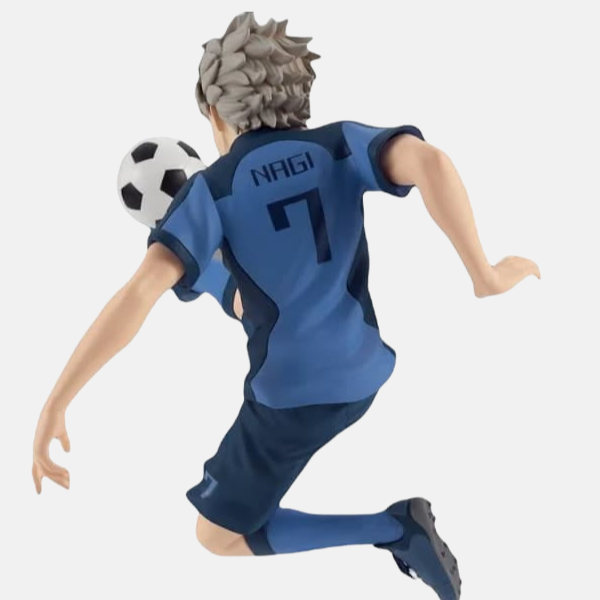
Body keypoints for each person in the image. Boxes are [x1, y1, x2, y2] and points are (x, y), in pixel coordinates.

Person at [32, 12, 540, 600]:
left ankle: (396, 528)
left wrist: (57, 401)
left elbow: (137, 293)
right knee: (247, 295)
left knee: (217, 535)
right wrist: (485, 274)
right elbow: (432, 162)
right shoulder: (339, 144)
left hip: (292, 400)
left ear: (215, 114)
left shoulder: (212, 189)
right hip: (366, 370)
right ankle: (212, 278)